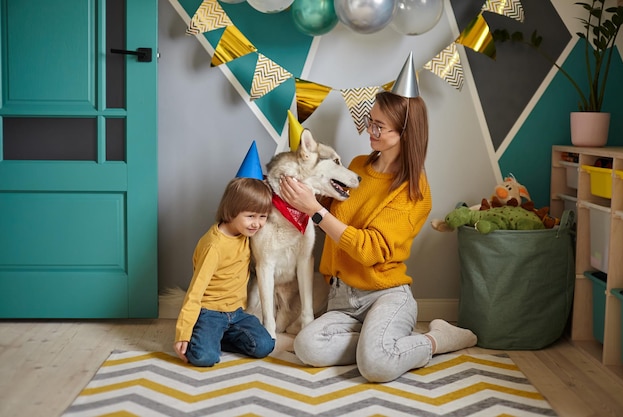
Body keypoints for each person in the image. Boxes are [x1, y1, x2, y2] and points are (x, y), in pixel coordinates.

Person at [278, 55, 477, 383]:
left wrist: (316, 210)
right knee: (308, 347)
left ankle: (438, 338)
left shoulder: (414, 191)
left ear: (404, 133)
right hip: (343, 297)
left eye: (378, 126)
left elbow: (370, 248)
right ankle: (378, 342)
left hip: (385, 294)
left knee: (377, 367)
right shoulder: (356, 166)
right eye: (370, 121)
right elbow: (323, 202)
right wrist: (302, 184)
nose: (368, 130)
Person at [173, 177, 275, 367]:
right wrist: (183, 332)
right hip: (210, 312)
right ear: (232, 211)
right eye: (251, 216)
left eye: (263, 217)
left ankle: (215, 338)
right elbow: (194, 292)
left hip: (236, 313)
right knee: (205, 358)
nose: (257, 224)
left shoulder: (245, 234)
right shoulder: (214, 247)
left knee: (265, 346)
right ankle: (202, 335)